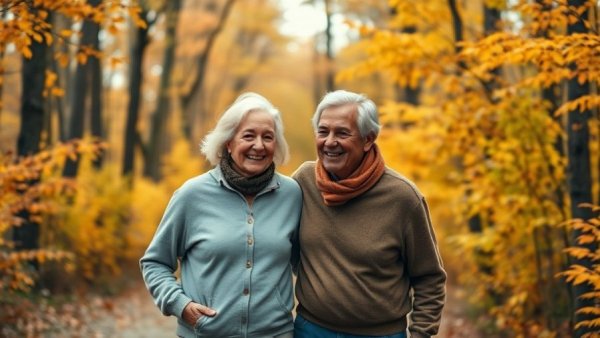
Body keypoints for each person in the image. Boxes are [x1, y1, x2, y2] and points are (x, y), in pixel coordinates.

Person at [140, 92, 301, 338]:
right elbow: (155, 262)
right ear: (228, 142)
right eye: (249, 135)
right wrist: (181, 306)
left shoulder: (291, 194)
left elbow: (308, 261)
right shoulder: (192, 195)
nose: (259, 145)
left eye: (268, 137)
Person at [293, 90, 446, 338]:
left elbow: (430, 278)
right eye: (323, 131)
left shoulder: (403, 198)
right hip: (311, 330)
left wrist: (421, 334)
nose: (329, 141)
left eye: (342, 132)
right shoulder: (304, 182)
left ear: (368, 139)